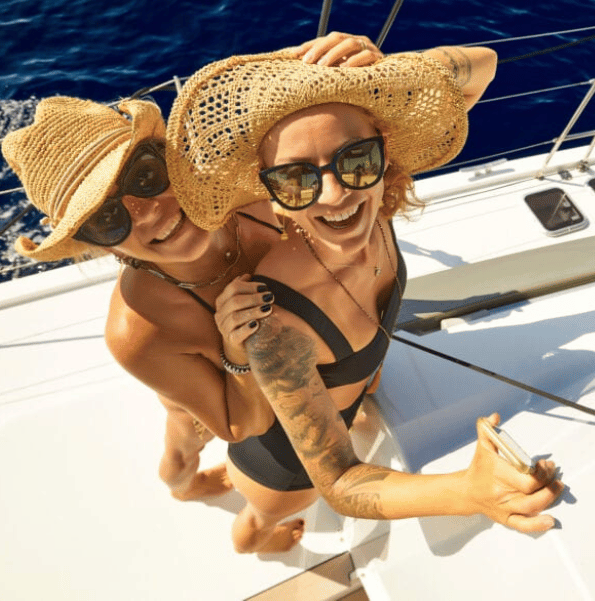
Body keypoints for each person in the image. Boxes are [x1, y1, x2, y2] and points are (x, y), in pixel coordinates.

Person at [166, 42, 566, 554]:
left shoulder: (378, 202)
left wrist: (377, 67)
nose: (335, 196)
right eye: (295, 178)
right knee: (260, 522)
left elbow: (482, 66)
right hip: (284, 471)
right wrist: (470, 492)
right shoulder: (277, 324)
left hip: (342, 408)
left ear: (383, 148)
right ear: (270, 193)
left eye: (354, 159)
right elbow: (338, 483)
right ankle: (255, 542)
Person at [0, 33, 382, 505]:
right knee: (185, 438)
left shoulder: (244, 183)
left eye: (144, 175)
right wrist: (234, 350)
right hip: (206, 390)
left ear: (171, 156)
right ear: (95, 246)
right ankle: (183, 489)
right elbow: (240, 425)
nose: (147, 212)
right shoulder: (136, 331)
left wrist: (327, 62)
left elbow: (277, 113)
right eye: (106, 219)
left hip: (290, 362)